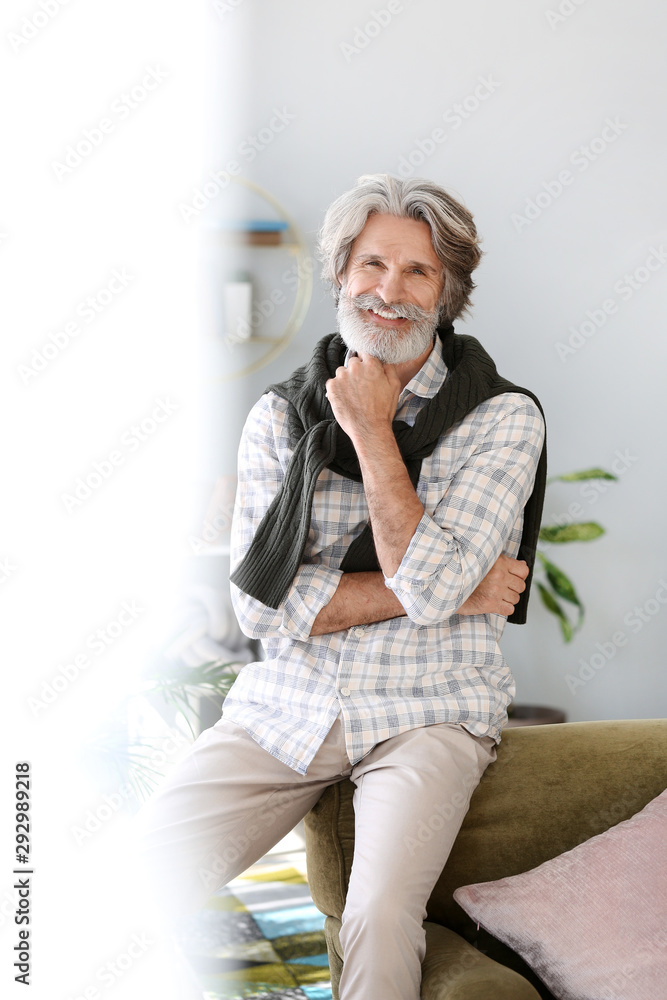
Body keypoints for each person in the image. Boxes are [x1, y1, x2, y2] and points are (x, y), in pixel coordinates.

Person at [138, 173, 546, 1000]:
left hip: (428, 705)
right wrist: (459, 588)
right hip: (287, 701)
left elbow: (425, 589)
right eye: (371, 265)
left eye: (417, 272)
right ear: (339, 275)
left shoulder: (502, 419)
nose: (388, 292)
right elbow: (263, 605)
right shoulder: (278, 416)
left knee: (376, 914)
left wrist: (367, 429)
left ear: (448, 292)